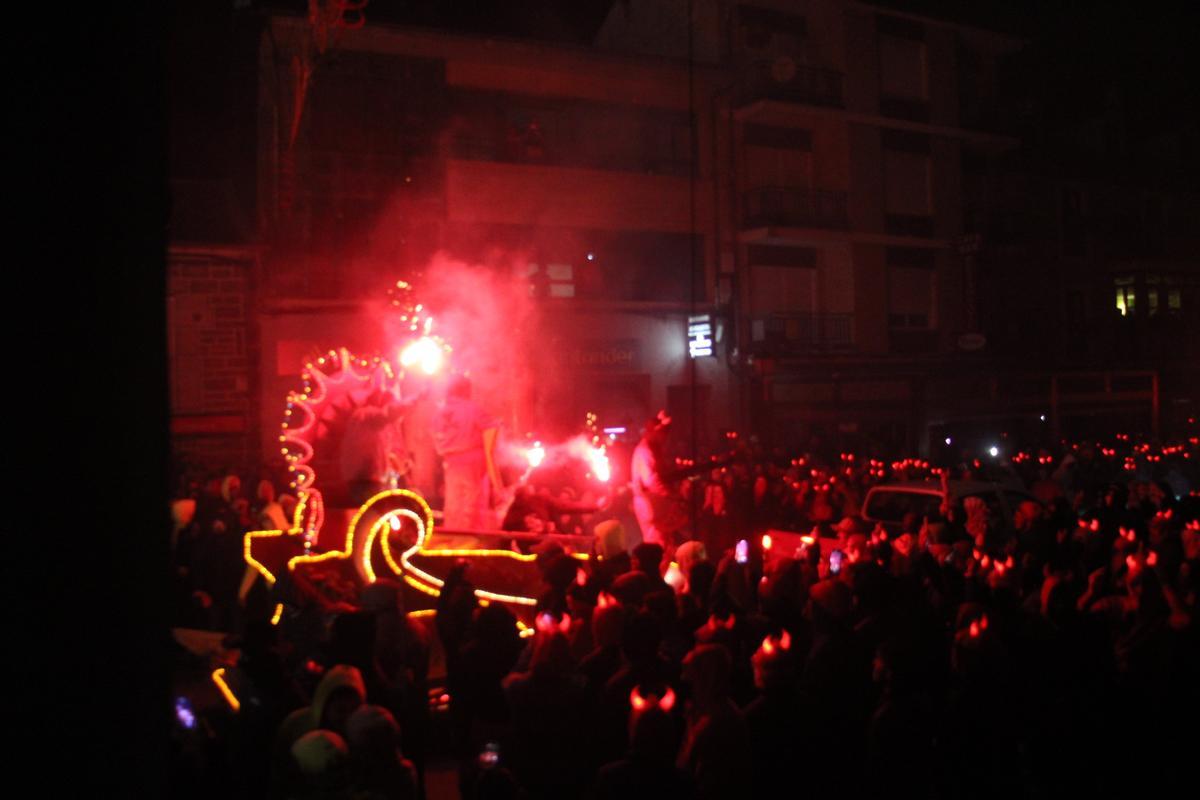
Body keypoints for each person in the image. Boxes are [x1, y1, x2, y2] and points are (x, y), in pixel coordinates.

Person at [434, 376, 500, 530]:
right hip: (473, 462)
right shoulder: (473, 409)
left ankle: (454, 540)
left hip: (450, 463)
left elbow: (436, 437)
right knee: (474, 507)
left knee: (453, 506)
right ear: (466, 390)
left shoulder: (440, 413)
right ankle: (472, 545)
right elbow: (491, 429)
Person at [341, 389, 420, 507]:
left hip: (367, 477)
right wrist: (415, 398)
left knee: (375, 513)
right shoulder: (365, 414)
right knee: (374, 513)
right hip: (365, 477)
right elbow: (389, 413)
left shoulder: (373, 422)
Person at [631, 411, 685, 556]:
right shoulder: (645, 451)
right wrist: (671, 495)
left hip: (654, 503)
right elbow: (652, 481)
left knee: (663, 545)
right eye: (663, 434)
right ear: (655, 432)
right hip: (650, 504)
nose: (665, 438)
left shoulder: (651, 450)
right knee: (657, 545)